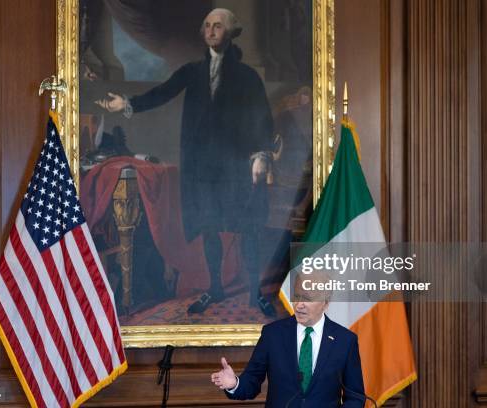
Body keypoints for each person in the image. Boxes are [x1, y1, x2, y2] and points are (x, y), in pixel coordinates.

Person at [95, 8, 276, 316]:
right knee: (209, 228)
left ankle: (255, 293)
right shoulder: (192, 71)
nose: (211, 30)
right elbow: (162, 93)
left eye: (218, 25)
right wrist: (126, 104)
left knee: (248, 229)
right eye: (207, 25)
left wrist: (261, 156)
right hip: (203, 169)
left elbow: (262, 119)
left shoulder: (248, 77)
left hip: (236, 168)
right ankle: (215, 287)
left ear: (231, 32)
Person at [210, 272, 365, 407]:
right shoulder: (273, 335)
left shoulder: (345, 341)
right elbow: (252, 382)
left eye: (308, 298)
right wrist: (234, 384)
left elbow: (355, 397)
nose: (299, 305)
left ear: (326, 302)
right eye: (297, 296)